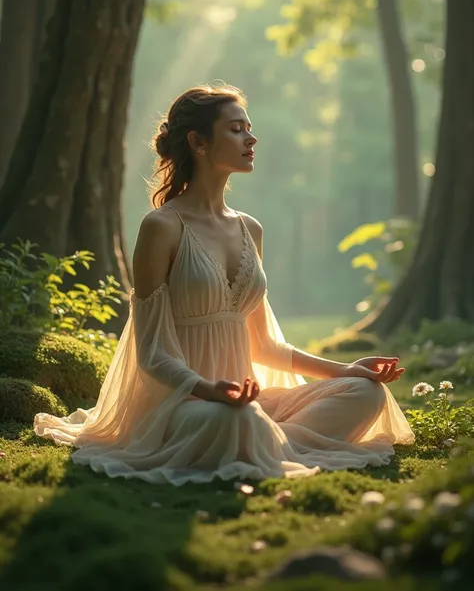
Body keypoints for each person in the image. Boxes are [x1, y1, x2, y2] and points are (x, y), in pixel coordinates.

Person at [34, 83, 414, 484]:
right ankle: (262, 439)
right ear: (198, 142)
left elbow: (266, 347)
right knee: (235, 418)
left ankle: (266, 441)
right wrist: (207, 390)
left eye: (248, 127)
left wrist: (345, 369)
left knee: (364, 392)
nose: (251, 137)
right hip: (185, 405)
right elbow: (152, 353)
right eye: (236, 129)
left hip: (243, 400)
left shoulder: (251, 228)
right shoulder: (162, 227)